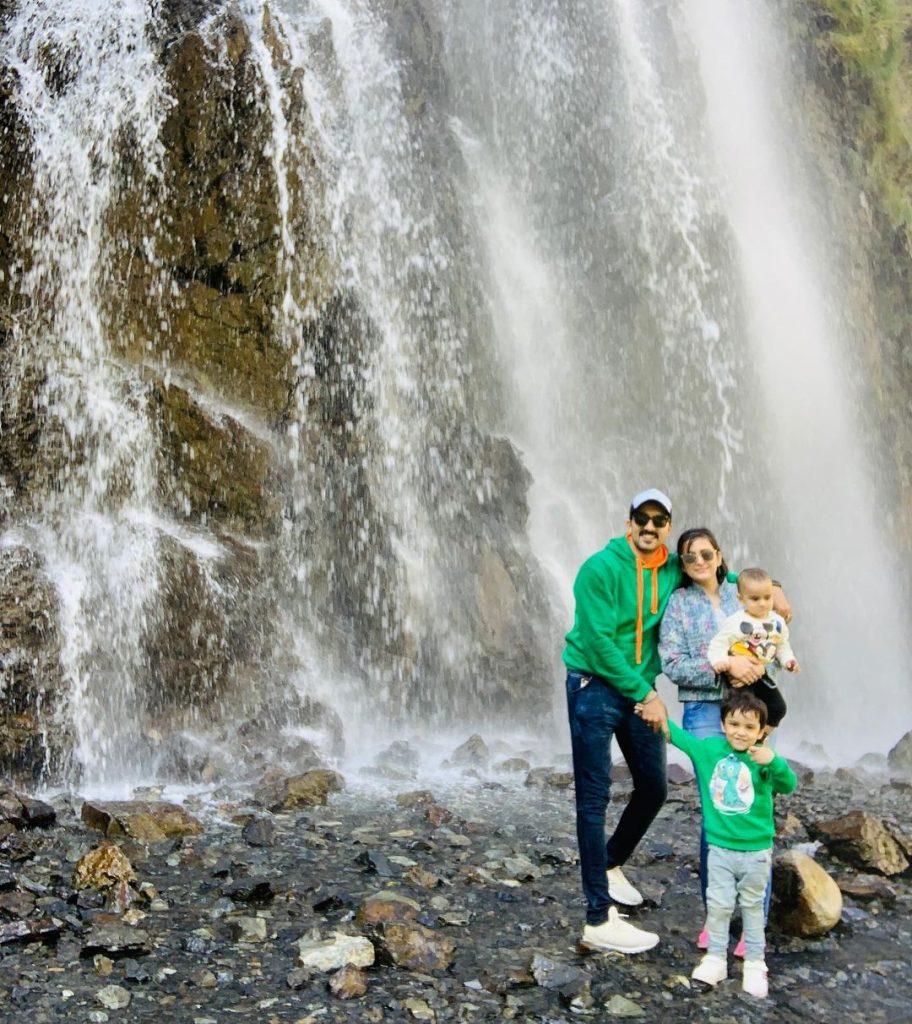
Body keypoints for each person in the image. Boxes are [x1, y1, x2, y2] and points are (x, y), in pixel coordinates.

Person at [658, 528, 769, 953]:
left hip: (751, 710)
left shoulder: (745, 593)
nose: (699, 560)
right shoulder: (679, 605)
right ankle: (717, 917)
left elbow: (771, 638)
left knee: (757, 805)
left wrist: (756, 668)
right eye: (690, 557)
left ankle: (755, 925)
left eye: (706, 553)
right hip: (705, 712)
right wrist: (724, 668)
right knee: (717, 814)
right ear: (683, 565)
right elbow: (672, 663)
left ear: (719, 555)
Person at [649, 691, 797, 999]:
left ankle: (755, 963)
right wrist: (656, 711)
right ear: (723, 724)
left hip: (756, 850)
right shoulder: (709, 751)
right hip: (719, 848)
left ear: (761, 731)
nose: (740, 732)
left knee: (753, 906)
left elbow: (788, 784)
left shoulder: (762, 760)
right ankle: (715, 958)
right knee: (718, 904)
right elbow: (678, 738)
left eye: (749, 727)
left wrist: (776, 762)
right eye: (734, 724)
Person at [708, 567, 800, 733]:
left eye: (767, 597)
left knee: (778, 708)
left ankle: (759, 738)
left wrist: (789, 661)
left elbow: (782, 645)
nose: (763, 603)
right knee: (742, 712)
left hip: (762, 675)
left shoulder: (777, 622)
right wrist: (720, 661)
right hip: (739, 677)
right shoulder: (736, 621)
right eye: (755, 599)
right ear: (741, 599)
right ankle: (737, 744)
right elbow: (718, 643)